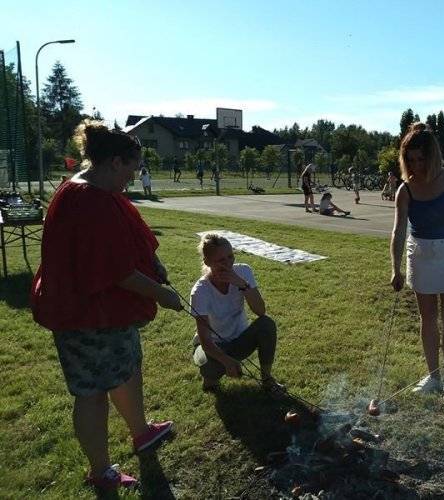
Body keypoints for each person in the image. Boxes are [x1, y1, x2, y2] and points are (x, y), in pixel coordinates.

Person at [30, 121, 182, 490]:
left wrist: (155, 264)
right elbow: (117, 272)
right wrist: (162, 294)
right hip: (84, 315)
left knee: (126, 370)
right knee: (91, 392)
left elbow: (128, 244)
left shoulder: (97, 188)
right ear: (115, 162)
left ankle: (141, 432)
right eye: (133, 167)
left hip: (107, 315)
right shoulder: (87, 200)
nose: (134, 175)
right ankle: (101, 471)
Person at [390, 123, 444, 408]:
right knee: (427, 318)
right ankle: (433, 377)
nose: (416, 165)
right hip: (421, 254)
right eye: (411, 160)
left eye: (421, 159)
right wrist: (395, 267)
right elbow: (398, 230)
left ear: (433, 156)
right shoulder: (405, 189)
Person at [190, 233, 285, 395]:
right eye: (221, 261)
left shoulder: (243, 272)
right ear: (207, 262)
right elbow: (205, 341)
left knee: (266, 325)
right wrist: (227, 361)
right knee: (210, 366)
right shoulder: (200, 291)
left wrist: (242, 284)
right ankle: (210, 379)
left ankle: (267, 379)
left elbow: (260, 311)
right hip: (212, 346)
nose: (228, 264)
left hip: (239, 340)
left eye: (230, 256)